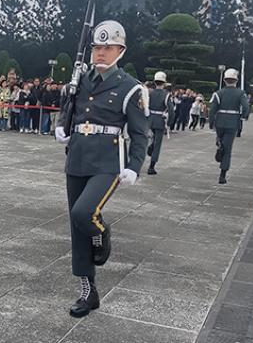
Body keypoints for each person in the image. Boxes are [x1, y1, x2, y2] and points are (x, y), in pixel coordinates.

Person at [55, 20, 149, 318]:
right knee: (75, 225)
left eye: (107, 48)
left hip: (108, 162)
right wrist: (61, 126)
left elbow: (140, 132)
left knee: (83, 213)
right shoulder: (81, 80)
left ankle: (102, 232)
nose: (101, 53)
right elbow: (68, 110)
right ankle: (88, 291)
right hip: (78, 157)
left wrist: (135, 165)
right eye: (97, 47)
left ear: (120, 50)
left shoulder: (130, 87)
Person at [209, 68, 250, 185]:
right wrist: (244, 117)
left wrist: (211, 122)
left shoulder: (218, 93)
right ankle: (222, 175)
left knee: (221, 141)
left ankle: (220, 144)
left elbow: (212, 110)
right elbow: (246, 107)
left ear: (224, 80)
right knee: (228, 149)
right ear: (236, 81)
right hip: (232, 122)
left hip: (220, 121)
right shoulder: (240, 93)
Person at [146, 72, 173, 175]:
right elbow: (171, 110)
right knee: (157, 144)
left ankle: (150, 146)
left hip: (149, 119)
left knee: (148, 140)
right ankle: (151, 167)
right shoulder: (166, 95)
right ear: (164, 83)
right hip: (160, 121)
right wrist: (169, 123)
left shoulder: (150, 93)